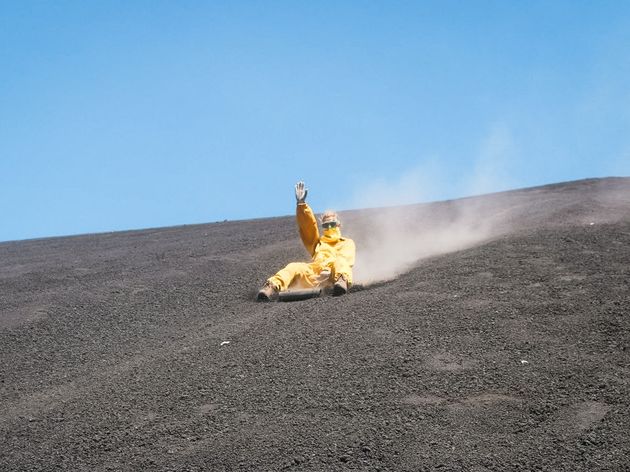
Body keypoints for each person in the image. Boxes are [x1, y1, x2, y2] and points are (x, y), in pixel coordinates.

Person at [257, 181, 356, 301]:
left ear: (338, 225)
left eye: (332, 224)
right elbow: (308, 227)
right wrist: (301, 204)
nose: (329, 227)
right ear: (323, 227)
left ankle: (341, 282)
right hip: (315, 275)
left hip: (333, 275)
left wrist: (329, 271)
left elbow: (345, 259)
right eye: (326, 225)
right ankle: (271, 287)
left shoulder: (346, 242)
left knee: (340, 261)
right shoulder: (318, 243)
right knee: (294, 266)